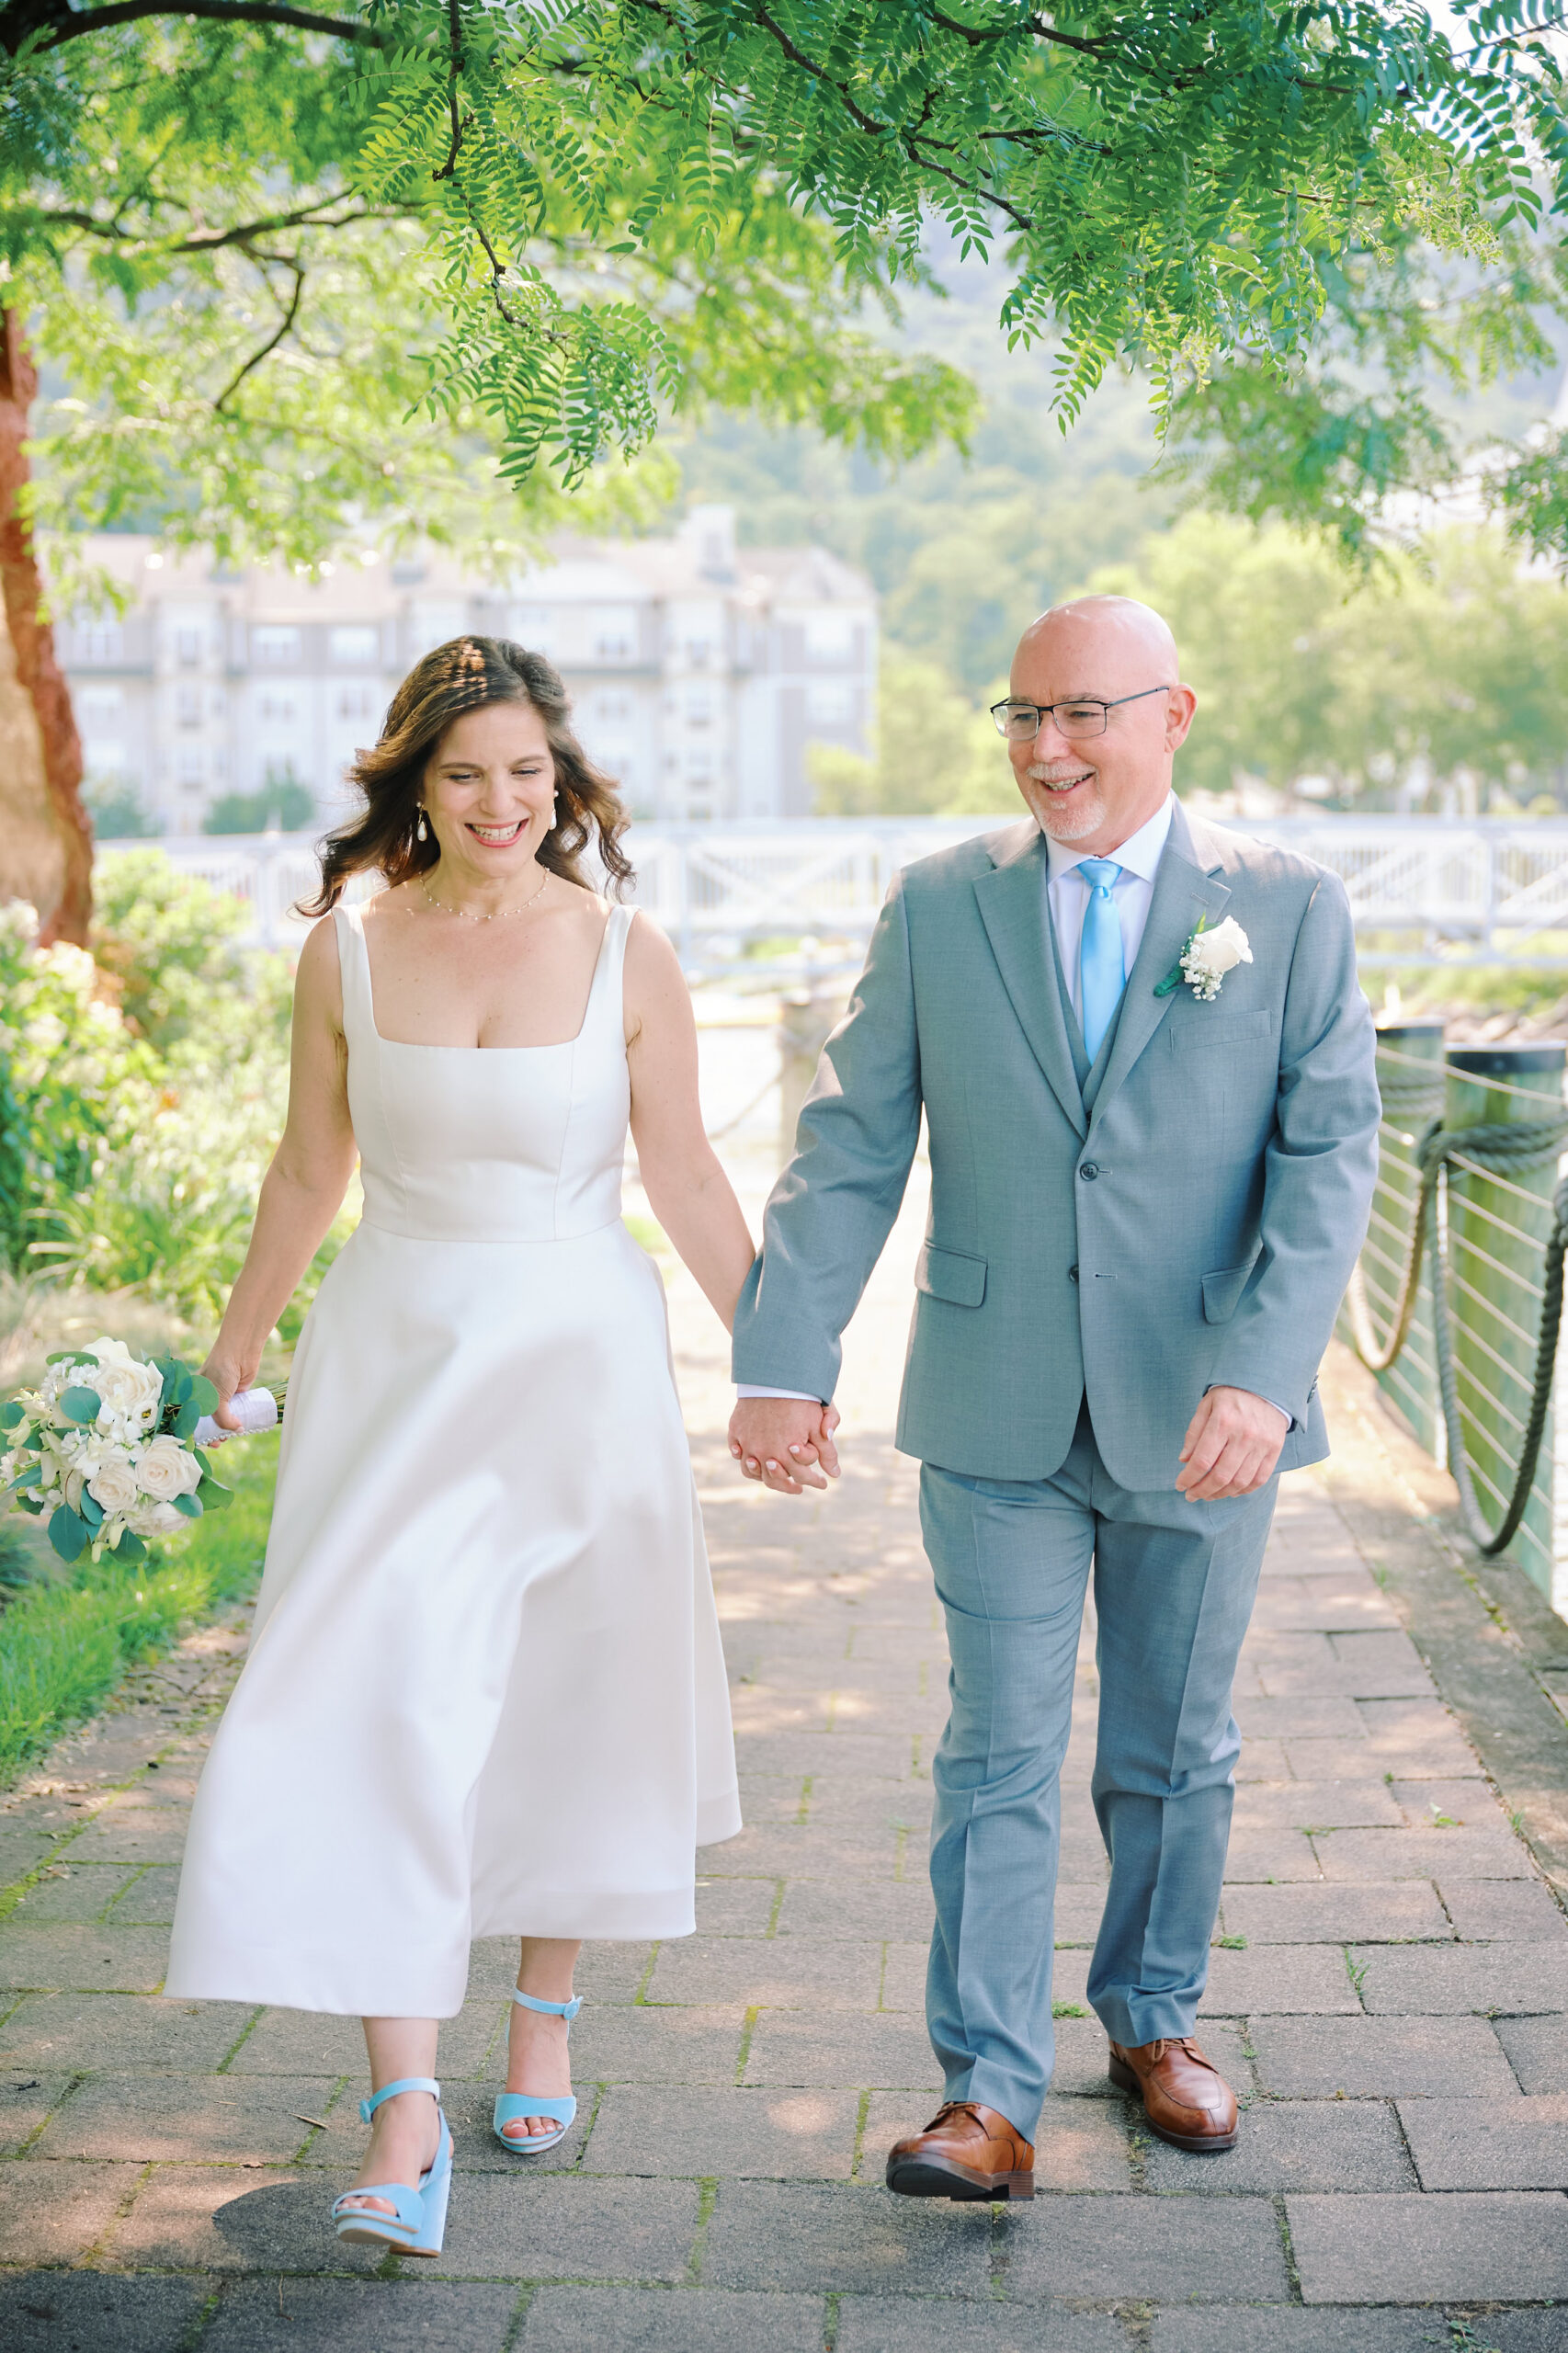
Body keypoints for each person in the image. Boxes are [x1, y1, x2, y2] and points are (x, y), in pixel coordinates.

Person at [728, 595, 1379, 2198]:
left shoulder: (1283, 907)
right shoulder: (940, 905)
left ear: (1175, 714)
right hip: (992, 1398)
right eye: (1022, 715)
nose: (1048, 748)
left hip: (1201, 1407)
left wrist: (1262, 1374)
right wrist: (781, 1360)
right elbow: (855, 1141)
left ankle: (1153, 2021)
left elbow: (1328, 1150)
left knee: (1174, 1747)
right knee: (995, 1750)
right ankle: (985, 2094)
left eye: (1084, 713)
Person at [165, 636, 746, 2256]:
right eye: (468, 773)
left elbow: (687, 1175)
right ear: (414, 785)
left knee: (573, 1693)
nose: (503, 802)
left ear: (563, 786)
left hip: (579, 1369)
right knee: (367, 1696)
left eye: (528, 773)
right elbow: (305, 1170)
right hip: (394, 1366)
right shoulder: (347, 952)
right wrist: (235, 1337)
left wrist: (782, 1365)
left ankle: (543, 2017)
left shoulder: (626, 949)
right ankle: (399, 2107)